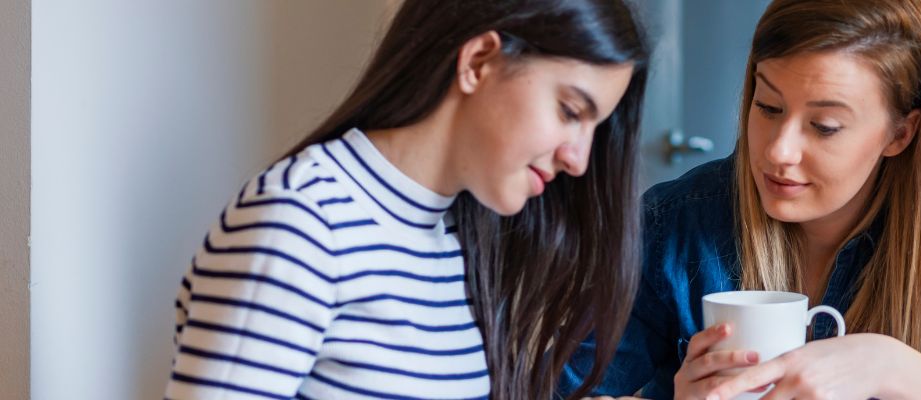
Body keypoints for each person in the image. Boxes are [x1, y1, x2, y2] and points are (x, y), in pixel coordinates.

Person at [165, 1, 649, 399]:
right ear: (479, 60)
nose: (579, 160)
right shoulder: (299, 224)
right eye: (569, 111)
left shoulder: (459, 235)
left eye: (594, 128)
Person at [561, 0, 921, 398]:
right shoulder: (673, 226)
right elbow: (566, 390)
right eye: (769, 108)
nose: (778, 151)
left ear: (901, 133)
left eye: (824, 127)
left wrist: (887, 365)